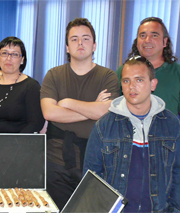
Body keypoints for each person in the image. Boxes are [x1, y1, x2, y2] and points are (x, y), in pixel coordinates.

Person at [84, 56, 180, 212]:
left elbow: (179, 175)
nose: (131, 86)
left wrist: (176, 209)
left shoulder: (171, 125)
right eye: (126, 81)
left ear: (153, 84)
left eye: (139, 80)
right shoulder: (104, 126)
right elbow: (91, 178)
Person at [40, 18, 119, 209]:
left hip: (97, 160)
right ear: (67, 47)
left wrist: (68, 103)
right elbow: (49, 112)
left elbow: (105, 111)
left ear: (94, 45)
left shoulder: (108, 76)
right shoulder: (54, 74)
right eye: (74, 39)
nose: (80, 43)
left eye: (85, 38)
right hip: (56, 159)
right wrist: (92, 109)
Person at [116, 17, 180, 143]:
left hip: (164, 150)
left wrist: (177, 148)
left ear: (165, 42)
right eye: (142, 35)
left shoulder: (179, 73)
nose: (147, 40)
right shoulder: (123, 71)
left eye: (154, 35)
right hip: (127, 149)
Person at [0, 37, 45, 133]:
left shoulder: (31, 86)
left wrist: (14, 143)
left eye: (15, 54)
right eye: (4, 53)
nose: (9, 58)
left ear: (22, 60)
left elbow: (36, 123)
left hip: (19, 143)